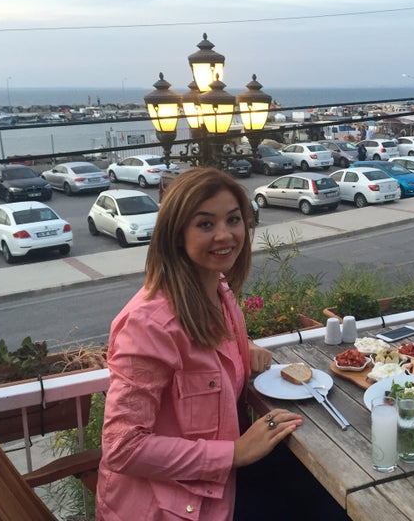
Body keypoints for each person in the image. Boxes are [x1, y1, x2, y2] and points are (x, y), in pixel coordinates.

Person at [97, 167, 302, 520]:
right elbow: (121, 447)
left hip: (215, 486)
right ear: (177, 235)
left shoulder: (218, 293)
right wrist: (235, 453)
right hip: (172, 506)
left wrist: (243, 347)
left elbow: (203, 356)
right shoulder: (148, 325)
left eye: (233, 220)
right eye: (205, 224)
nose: (225, 235)